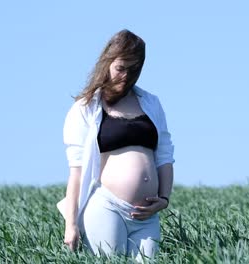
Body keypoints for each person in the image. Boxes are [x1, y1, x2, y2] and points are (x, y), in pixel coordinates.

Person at [58, 29, 175, 262]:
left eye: (134, 69)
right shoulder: (86, 107)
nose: (126, 76)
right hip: (106, 206)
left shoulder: (150, 103)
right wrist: (71, 225)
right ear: (107, 63)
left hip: (146, 216)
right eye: (121, 68)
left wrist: (164, 198)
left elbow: (164, 154)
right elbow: (77, 170)